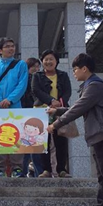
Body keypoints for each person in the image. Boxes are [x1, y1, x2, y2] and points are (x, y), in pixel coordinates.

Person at [47, 53, 103, 206]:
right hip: (100, 135)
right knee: (102, 175)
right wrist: (58, 111)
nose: (74, 73)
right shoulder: (89, 86)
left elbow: (79, 108)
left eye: (75, 69)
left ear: (84, 69)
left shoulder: (95, 86)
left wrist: (56, 124)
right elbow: (80, 105)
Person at [0, 37, 28, 178]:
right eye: (7, 46)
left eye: (12, 46)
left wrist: (10, 100)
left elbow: (22, 84)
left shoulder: (21, 65)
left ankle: (17, 167)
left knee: (16, 136)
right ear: (0, 50)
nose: (11, 48)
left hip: (15, 107)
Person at [32, 49, 72, 178]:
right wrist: (51, 101)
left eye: (51, 59)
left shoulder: (63, 75)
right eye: (46, 59)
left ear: (56, 61)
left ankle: (61, 169)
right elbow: (36, 90)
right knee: (44, 141)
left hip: (59, 111)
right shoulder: (37, 76)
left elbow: (68, 91)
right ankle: (46, 170)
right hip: (42, 111)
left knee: (61, 140)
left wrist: (59, 103)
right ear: (42, 61)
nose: (48, 62)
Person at [21, 57, 43, 177]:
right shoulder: (24, 79)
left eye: (38, 66)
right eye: (33, 66)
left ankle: (34, 172)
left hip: (35, 114)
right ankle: (27, 171)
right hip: (26, 113)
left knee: (33, 145)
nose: (36, 68)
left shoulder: (40, 79)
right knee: (27, 146)